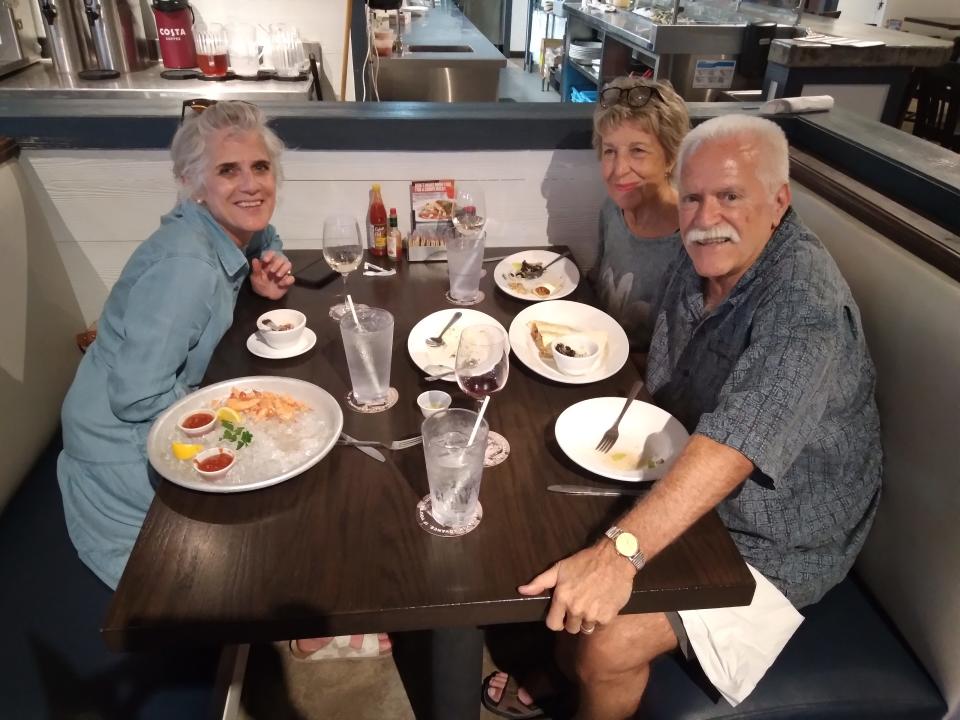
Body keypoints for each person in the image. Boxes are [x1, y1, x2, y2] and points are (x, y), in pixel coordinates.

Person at [486, 115, 882, 719]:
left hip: (777, 535)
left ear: (779, 201)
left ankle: (580, 675)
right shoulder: (699, 251)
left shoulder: (805, 303)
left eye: (730, 195)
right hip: (689, 475)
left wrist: (619, 555)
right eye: (692, 196)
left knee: (606, 644)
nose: (705, 216)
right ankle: (565, 675)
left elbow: (735, 443)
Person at [58, 99, 294, 592]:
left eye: (260, 167)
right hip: (115, 451)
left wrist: (266, 264)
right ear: (193, 185)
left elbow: (260, 233)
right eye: (228, 170)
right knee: (266, 519)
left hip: (142, 411)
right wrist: (237, 418)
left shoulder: (216, 231)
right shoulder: (187, 268)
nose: (251, 184)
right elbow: (136, 398)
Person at [591, 75, 689, 355]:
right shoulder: (612, 210)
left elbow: (679, 360)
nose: (619, 169)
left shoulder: (689, 243)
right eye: (610, 151)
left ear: (670, 157)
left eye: (638, 151)